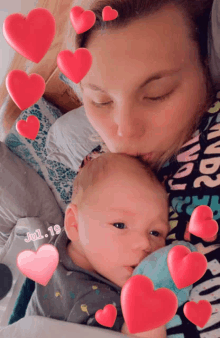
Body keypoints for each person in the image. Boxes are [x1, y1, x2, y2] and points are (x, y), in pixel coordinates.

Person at [55, 0, 220, 337]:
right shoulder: (99, 167)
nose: (123, 132)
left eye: (157, 93)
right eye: (100, 101)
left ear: (209, 69)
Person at [25, 152, 173, 338]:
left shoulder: (67, 246)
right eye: (120, 225)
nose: (144, 243)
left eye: (155, 233)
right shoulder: (97, 303)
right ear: (74, 224)